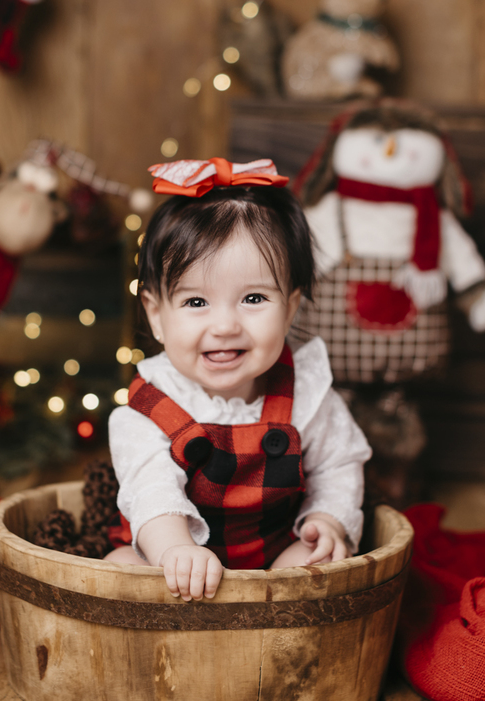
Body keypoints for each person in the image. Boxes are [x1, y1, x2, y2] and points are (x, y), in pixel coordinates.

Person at [104, 157, 372, 604]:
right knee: (121, 570)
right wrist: (175, 549)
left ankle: (271, 634)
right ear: (156, 315)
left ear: (290, 308)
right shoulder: (148, 408)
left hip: (271, 558)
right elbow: (150, 490)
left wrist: (327, 520)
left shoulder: (307, 394)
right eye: (196, 302)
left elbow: (339, 464)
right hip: (172, 558)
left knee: (318, 563)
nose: (225, 326)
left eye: (253, 298)